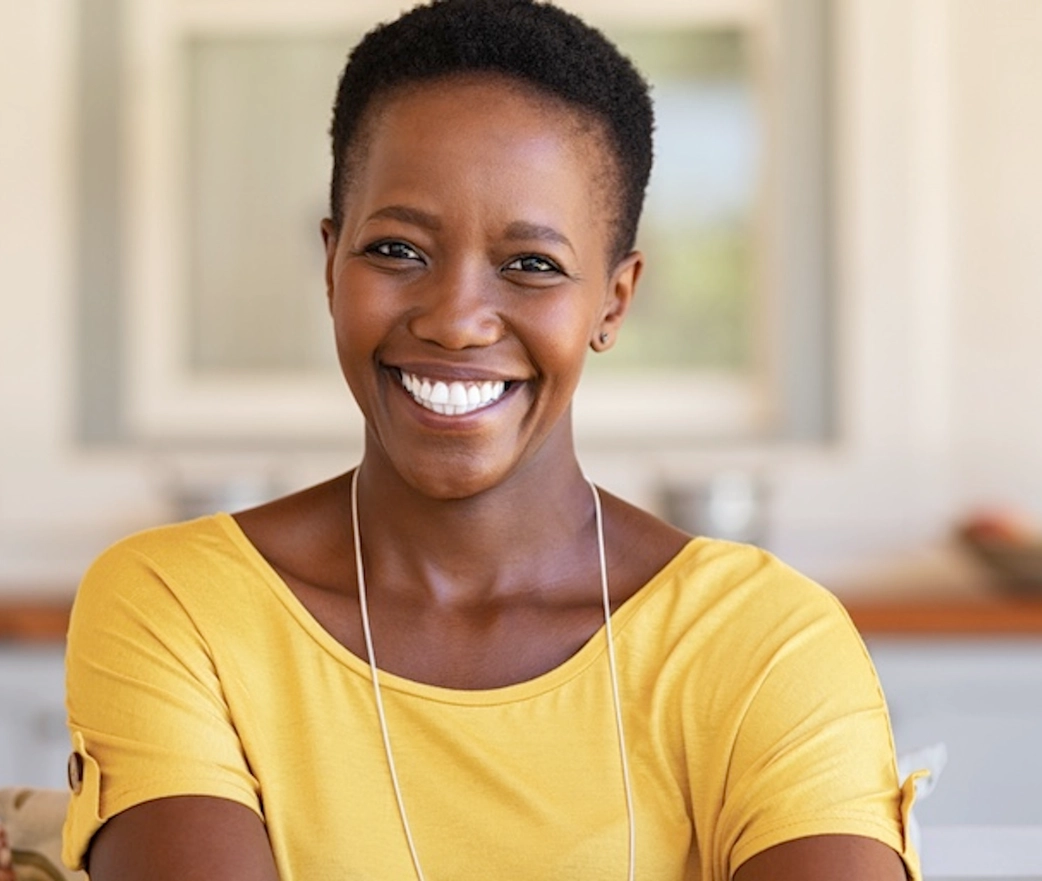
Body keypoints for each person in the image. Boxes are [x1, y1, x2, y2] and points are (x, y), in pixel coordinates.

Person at [61, 2, 921, 879]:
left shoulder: (763, 641)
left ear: (614, 301)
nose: (457, 321)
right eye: (397, 249)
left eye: (532, 264)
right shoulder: (179, 607)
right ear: (331, 265)